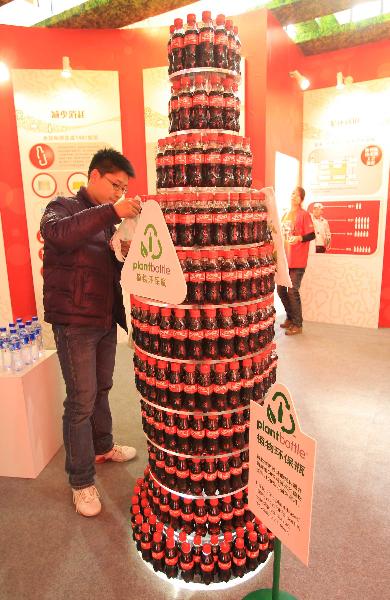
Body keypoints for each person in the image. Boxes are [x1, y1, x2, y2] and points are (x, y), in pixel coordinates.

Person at [40, 148, 141, 517]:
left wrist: (125, 251)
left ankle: (103, 446)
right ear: (95, 175)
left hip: (102, 319)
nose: (119, 193)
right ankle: (81, 481)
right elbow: (58, 235)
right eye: (115, 185)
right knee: (80, 401)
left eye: (124, 188)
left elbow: (108, 267)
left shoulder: (106, 223)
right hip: (74, 322)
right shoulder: (62, 208)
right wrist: (112, 212)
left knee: (102, 388)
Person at [277, 186, 315, 336]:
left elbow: (311, 235)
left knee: (292, 291)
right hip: (284, 260)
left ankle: (297, 324)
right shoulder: (285, 214)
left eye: (297, 195)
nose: (294, 196)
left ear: (301, 199)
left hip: (298, 261)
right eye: (292, 193)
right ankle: (290, 318)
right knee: (280, 290)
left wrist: (299, 238)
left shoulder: (304, 215)